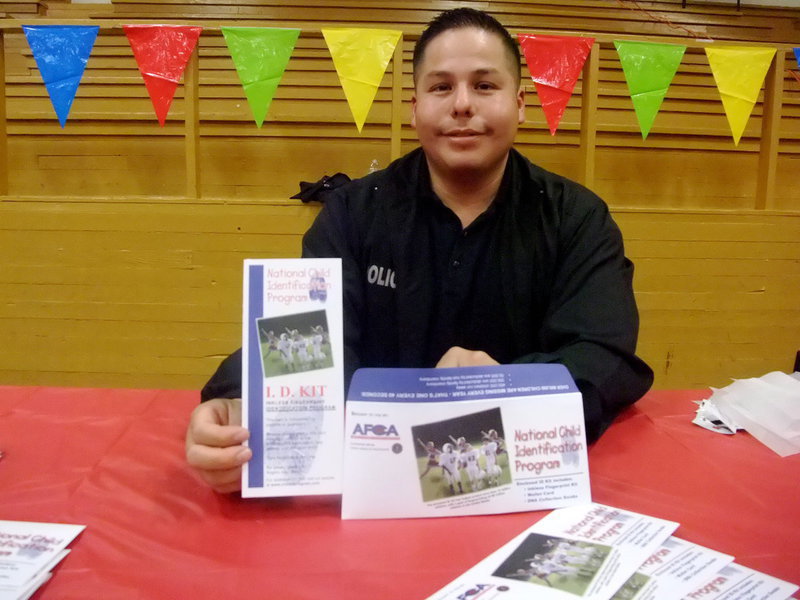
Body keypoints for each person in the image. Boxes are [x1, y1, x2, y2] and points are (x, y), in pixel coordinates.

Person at [185, 8, 654, 493]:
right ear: (414, 107)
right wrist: (239, 405)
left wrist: (509, 383)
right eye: (441, 87)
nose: (462, 104)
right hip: (375, 483)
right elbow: (304, 339)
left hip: (518, 480)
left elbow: (603, 354)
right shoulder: (351, 215)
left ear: (520, 104)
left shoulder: (576, 218)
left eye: (485, 86)